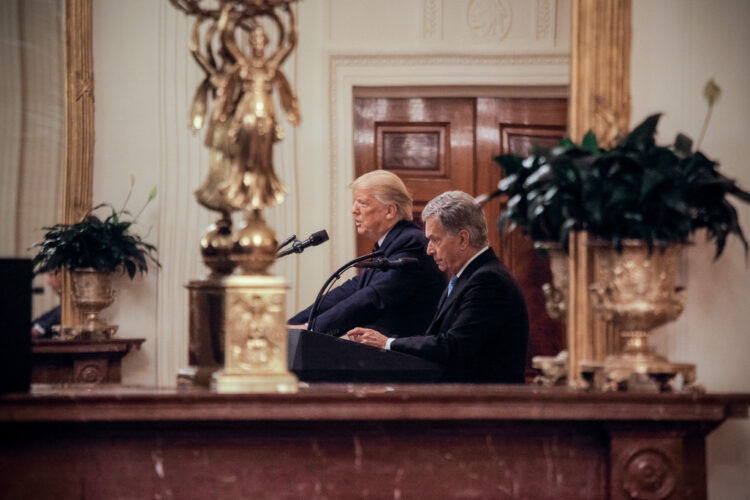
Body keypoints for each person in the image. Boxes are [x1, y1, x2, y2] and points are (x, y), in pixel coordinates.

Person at [347, 191, 529, 383]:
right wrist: (386, 342)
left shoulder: (489, 280)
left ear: (462, 239)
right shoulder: (464, 277)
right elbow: (437, 339)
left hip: (484, 406)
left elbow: (452, 346)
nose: (429, 249)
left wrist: (388, 343)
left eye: (435, 239)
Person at [288, 170, 445, 338]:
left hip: (407, 357)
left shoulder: (411, 243)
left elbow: (373, 298)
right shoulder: (391, 243)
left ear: (389, 211)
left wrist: (311, 330)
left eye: (362, 203)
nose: (353, 210)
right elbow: (347, 292)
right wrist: (290, 326)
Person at [31, 269, 62, 338]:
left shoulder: (60, 311)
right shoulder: (56, 310)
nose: (48, 282)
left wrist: (38, 329)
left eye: (51, 275)